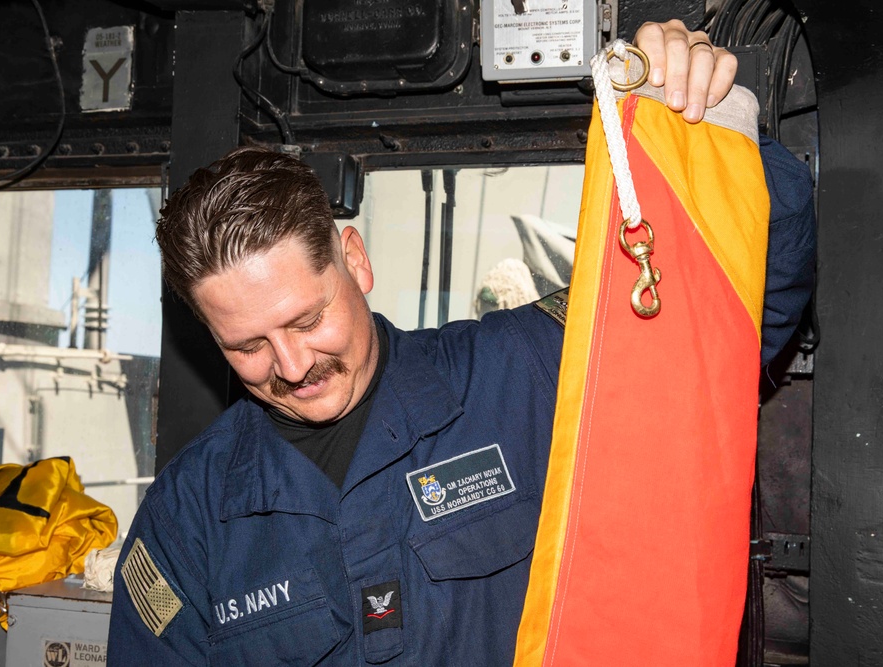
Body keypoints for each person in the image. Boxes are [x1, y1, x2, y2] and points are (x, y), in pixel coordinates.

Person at [107, 21, 816, 664]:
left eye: (306, 320)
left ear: (355, 261)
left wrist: (709, 120)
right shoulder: (186, 518)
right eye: (247, 345)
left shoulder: (525, 373)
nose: (291, 367)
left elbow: (735, 313)